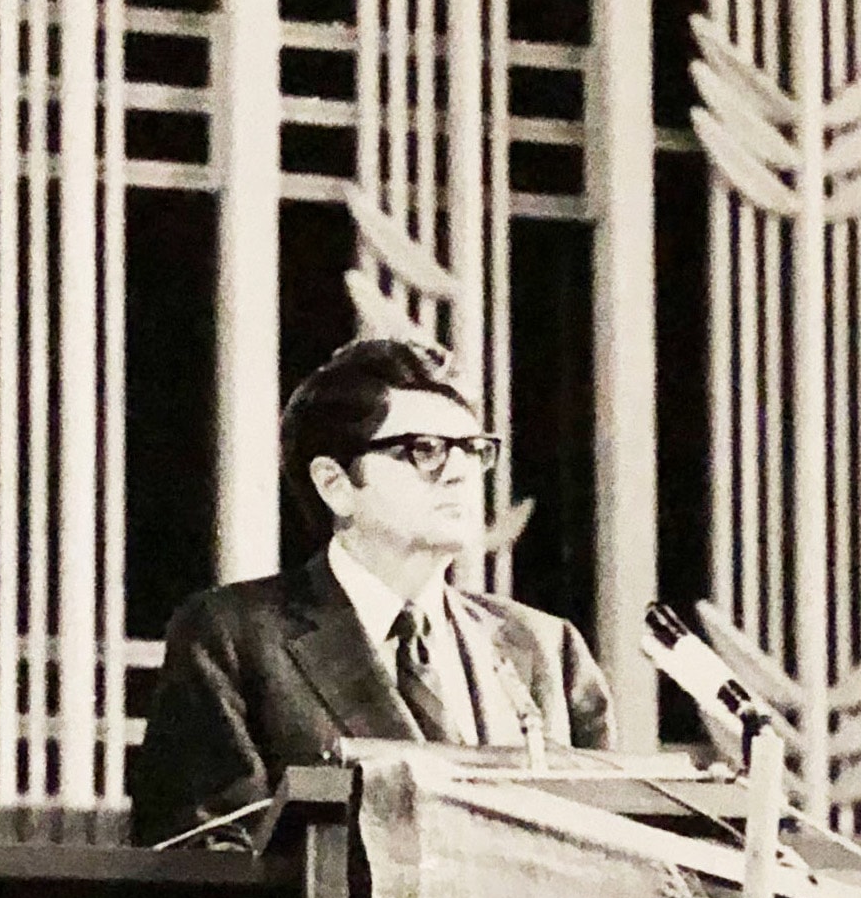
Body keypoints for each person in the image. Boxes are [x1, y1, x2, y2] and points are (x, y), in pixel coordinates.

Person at [130, 337, 613, 848]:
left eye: (474, 450)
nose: (460, 472)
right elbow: (204, 853)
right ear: (334, 483)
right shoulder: (233, 637)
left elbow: (618, 850)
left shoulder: (544, 647)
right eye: (425, 450)